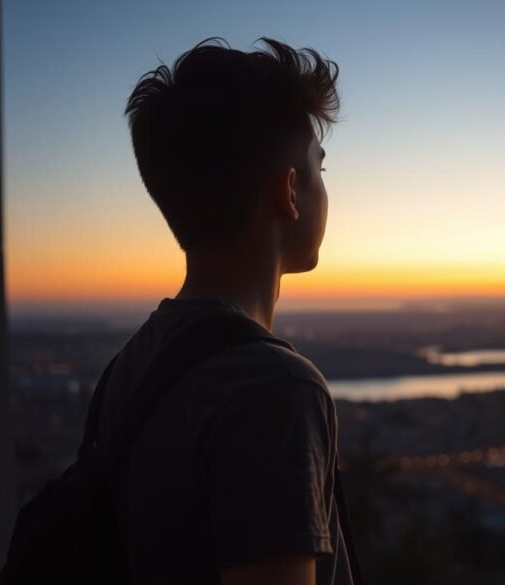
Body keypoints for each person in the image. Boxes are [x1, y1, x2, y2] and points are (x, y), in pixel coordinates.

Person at [98, 38, 354, 584]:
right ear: (288, 191)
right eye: (318, 168)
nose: (324, 190)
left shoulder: (131, 364)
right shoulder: (277, 390)